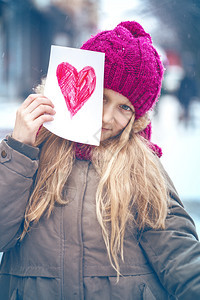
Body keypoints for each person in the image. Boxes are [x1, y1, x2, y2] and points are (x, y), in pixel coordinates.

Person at [0, 21, 200, 300]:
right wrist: (18, 149)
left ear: (137, 117)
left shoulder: (141, 167)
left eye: (124, 107)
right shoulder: (34, 151)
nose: (107, 118)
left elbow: (179, 252)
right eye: (102, 97)